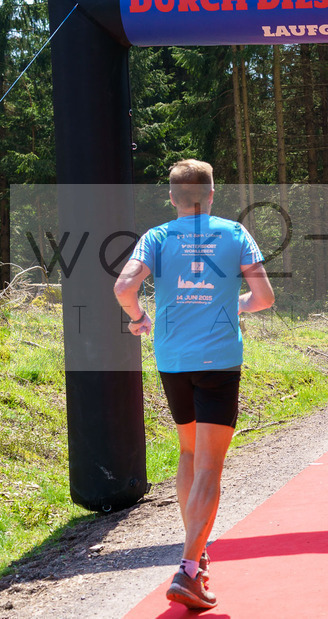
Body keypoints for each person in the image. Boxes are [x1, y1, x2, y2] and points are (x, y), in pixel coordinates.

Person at [113, 159, 274, 610]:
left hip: (172, 359)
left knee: (188, 453)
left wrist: (138, 318)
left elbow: (124, 286)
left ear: (172, 197)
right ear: (212, 194)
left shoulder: (158, 236)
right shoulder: (235, 234)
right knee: (209, 467)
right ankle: (188, 569)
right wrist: (234, 303)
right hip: (219, 361)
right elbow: (264, 298)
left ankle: (196, 552)